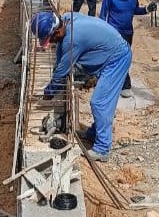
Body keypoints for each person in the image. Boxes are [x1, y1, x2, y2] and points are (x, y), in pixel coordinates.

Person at [31, 11, 131, 162]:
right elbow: (60, 53)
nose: (52, 42)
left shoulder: (73, 39)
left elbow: (61, 73)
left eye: (51, 39)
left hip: (117, 58)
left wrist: (48, 92)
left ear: (57, 31)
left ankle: (103, 149)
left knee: (100, 102)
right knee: (100, 101)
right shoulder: (66, 19)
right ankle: (94, 133)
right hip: (110, 52)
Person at [100, 0, 156, 98]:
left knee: (123, 58)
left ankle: (117, 83)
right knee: (117, 58)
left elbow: (134, 10)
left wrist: (147, 9)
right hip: (113, 32)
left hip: (128, 32)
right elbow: (103, 16)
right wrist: (103, 34)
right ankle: (124, 84)